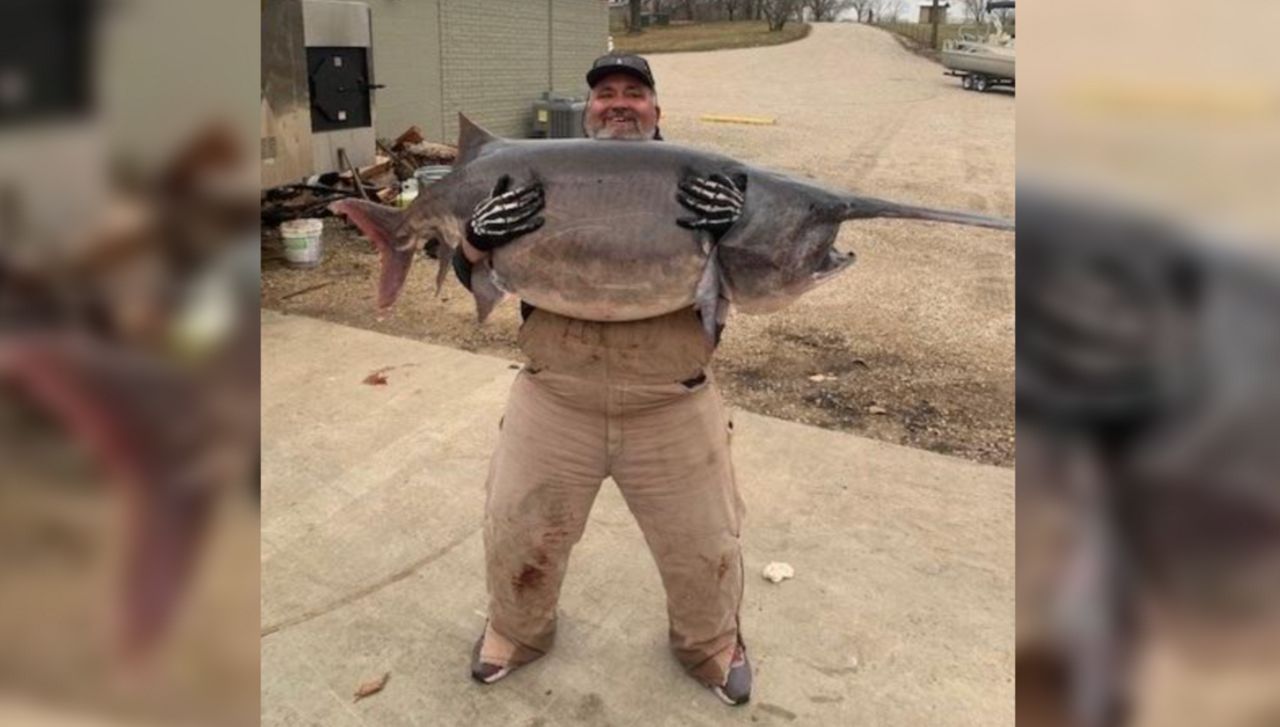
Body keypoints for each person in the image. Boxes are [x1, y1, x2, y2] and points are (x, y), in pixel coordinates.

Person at [453, 53, 752, 706]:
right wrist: (474, 242)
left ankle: (711, 642)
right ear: (587, 113)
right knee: (519, 530)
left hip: (672, 400)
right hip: (555, 394)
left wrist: (738, 228)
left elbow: (758, 279)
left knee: (706, 542)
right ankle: (516, 628)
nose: (619, 102)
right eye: (605, 94)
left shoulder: (704, 185)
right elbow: (470, 273)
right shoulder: (539, 178)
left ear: (656, 110)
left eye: (634, 93)